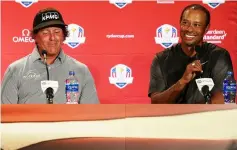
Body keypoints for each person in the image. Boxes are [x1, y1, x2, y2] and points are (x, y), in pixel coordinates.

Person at [1, 8, 99, 104]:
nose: (52, 38)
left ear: (63, 36)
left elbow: (92, 114)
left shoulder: (81, 70)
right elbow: (4, 114)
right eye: (45, 33)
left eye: (57, 32)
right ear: (35, 36)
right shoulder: (16, 70)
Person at [148, 4, 234, 104]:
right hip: (172, 119)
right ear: (180, 23)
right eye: (185, 23)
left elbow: (225, 100)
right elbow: (156, 103)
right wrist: (182, 82)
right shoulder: (161, 59)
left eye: (196, 25)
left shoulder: (219, 56)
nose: (189, 29)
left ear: (206, 28)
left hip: (207, 118)